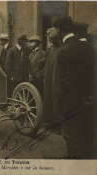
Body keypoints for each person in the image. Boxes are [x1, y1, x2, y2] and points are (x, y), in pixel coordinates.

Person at [53, 16, 95, 159]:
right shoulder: (87, 47)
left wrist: (58, 104)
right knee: (85, 139)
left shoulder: (64, 52)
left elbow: (64, 83)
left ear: (59, 31)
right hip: (88, 102)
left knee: (72, 140)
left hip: (71, 105)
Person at [42, 27, 62, 128]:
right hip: (49, 78)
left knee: (56, 99)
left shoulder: (61, 49)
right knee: (47, 98)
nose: (50, 41)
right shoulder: (52, 49)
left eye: (52, 39)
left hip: (56, 78)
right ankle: (47, 121)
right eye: (50, 39)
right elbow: (48, 64)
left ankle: (57, 124)